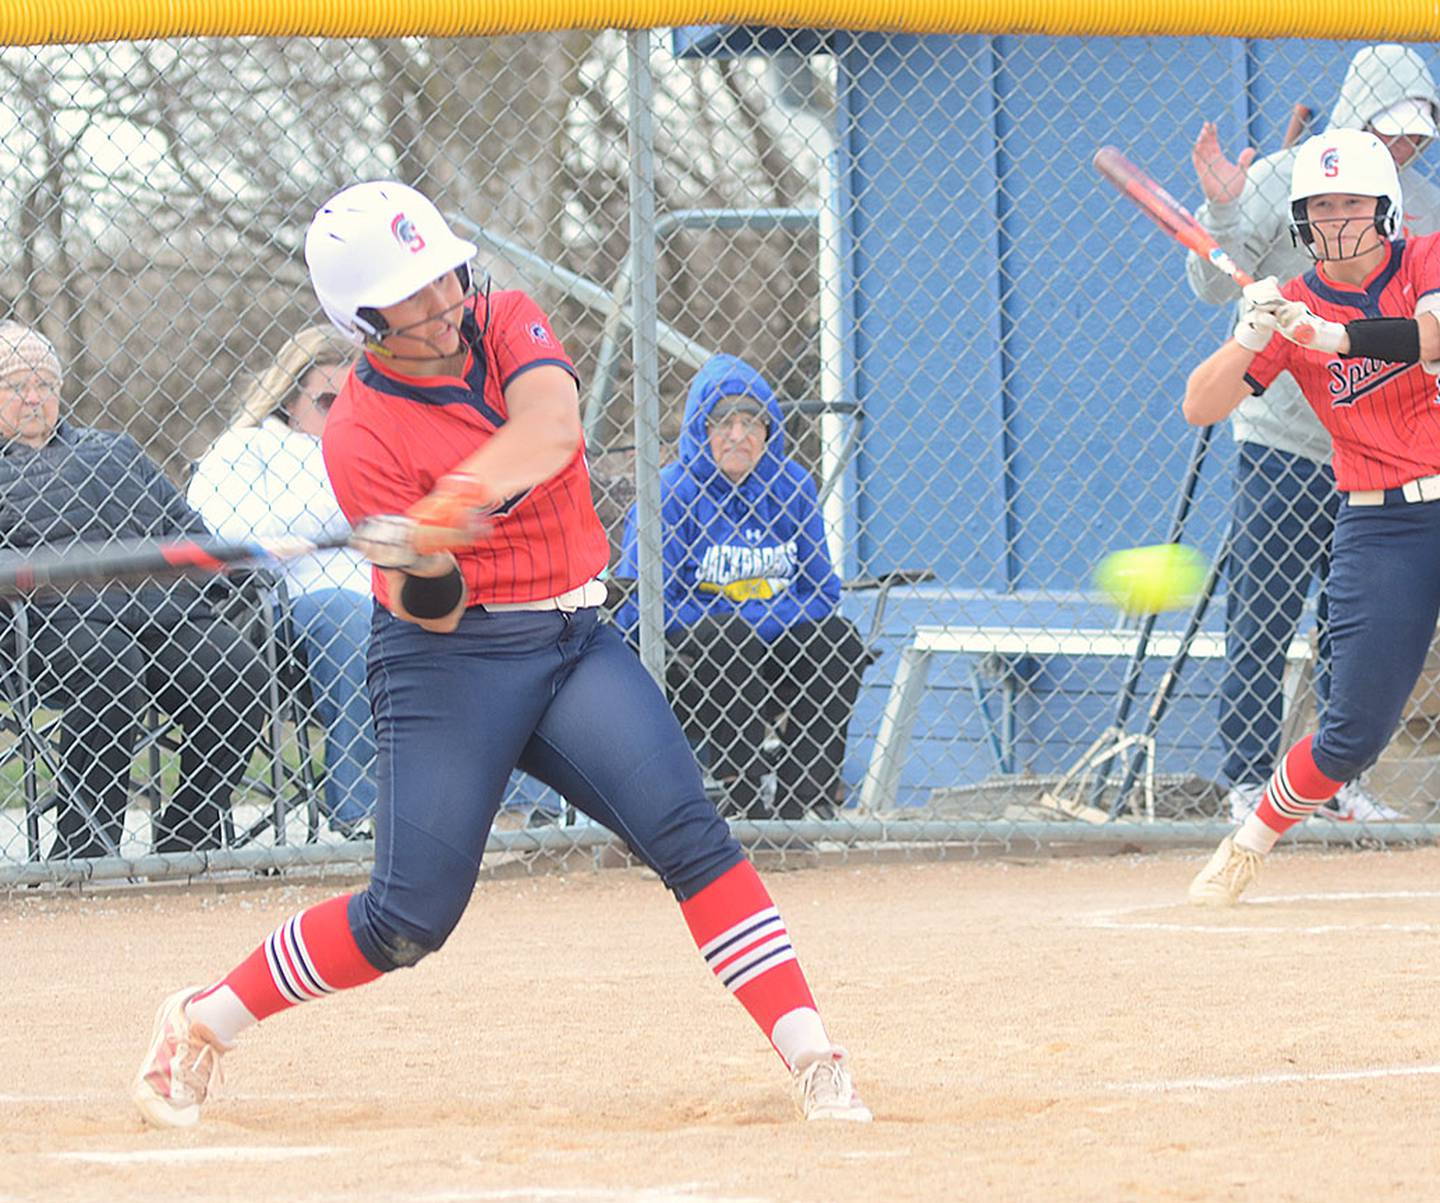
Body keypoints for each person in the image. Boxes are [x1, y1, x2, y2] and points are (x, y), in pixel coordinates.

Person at [131, 181, 871, 1127]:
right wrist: (417, 554)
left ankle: (813, 1054)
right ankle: (202, 1020)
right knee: (405, 921)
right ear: (363, 319)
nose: (445, 303)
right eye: (416, 293)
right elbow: (427, 610)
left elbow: (552, 429)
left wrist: (448, 502)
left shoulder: (505, 319)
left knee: (689, 832)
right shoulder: (359, 434)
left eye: (447, 276)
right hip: (451, 667)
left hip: (571, 638)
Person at [1183, 129, 1440, 905]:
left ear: (1386, 209)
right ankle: (1249, 841)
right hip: (1381, 523)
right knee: (1352, 731)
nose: (1336, 219)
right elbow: (1200, 404)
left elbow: (1433, 336)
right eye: (1320, 206)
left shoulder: (1427, 258)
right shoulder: (1290, 305)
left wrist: (1336, 337)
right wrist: (1249, 335)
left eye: (1352, 203)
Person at [0, 321, 269, 858]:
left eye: (46, 385)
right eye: (15, 386)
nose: (34, 399)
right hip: (46, 627)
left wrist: (236, 572)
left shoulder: (114, 451)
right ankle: (86, 848)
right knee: (110, 663)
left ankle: (186, 834)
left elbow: (187, 528)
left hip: (160, 614)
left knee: (235, 665)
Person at [615, 353, 866, 820]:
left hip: (770, 656)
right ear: (699, 429)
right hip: (692, 667)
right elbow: (640, 607)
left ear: (770, 433)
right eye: (723, 422)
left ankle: (799, 802)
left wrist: (756, 619)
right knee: (728, 635)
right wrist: (734, 620)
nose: (737, 436)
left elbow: (824, 592)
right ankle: (743, 794)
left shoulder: (792, 486)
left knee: (840, 640)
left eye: (752, 423)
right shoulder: (670, 492)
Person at [188, 326, 377, 838]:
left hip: (386, 596)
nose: (340, 413)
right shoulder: (248, 448)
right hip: (285, 612)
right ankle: (362, 811)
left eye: (355, 400)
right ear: (289, 399)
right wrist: (344, 518)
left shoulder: (377, 451)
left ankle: (523, 805)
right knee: (345, 613)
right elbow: (218, 526)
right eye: (326, 400)